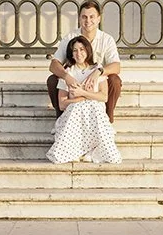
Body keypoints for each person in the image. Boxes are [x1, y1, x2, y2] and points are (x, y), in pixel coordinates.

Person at [46, 35, 122, 164]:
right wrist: (82, 99)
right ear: (71, 54)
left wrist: (81, 93)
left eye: (82, 49)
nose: (79, 53)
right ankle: (75, 150)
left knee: (94, 107)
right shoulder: (68, 72)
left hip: (94, 112)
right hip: (74, 112)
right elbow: (62, 104)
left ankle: (92, 150)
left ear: (87, 51)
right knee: (78, 108)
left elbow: (103, 97)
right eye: (75, 50)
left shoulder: (96, 70)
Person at [47, 0, 123, 121]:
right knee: (52, 80)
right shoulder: (71, 37)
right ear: (79, 19)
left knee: (115, 80)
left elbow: (116, 66)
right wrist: (67, 76)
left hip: (96, 85)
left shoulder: (106, 39)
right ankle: (61, 117)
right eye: (84, 17)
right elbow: (54, 64)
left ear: (98, 19)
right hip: (74, 84)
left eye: (92, 17)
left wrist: (98, 71)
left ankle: (107, 117)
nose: (88, 21)